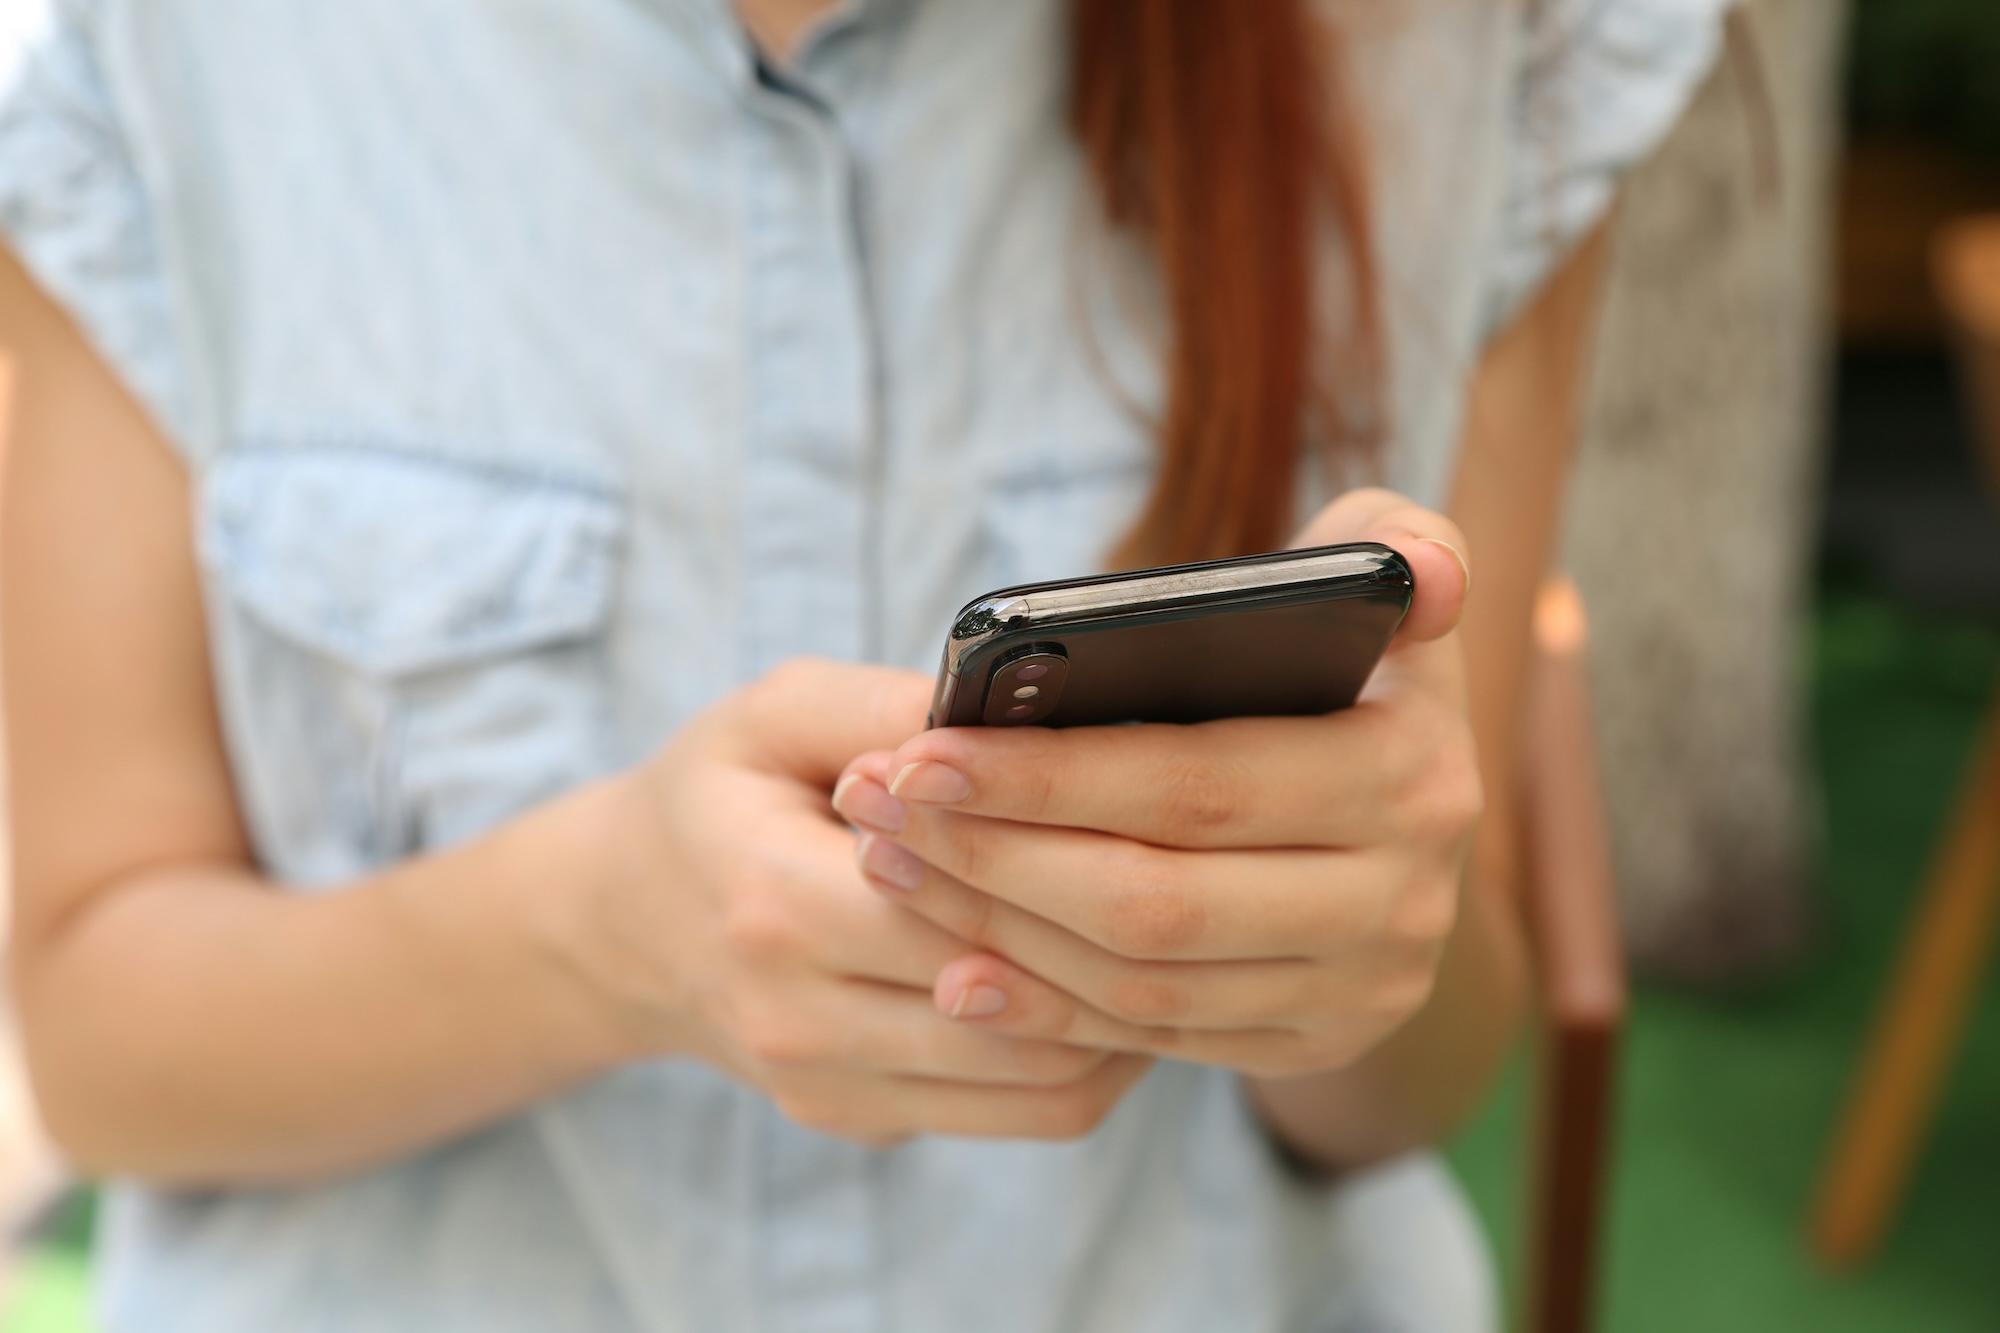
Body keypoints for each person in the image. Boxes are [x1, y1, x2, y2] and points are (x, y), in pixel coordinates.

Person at [0, 1, 1723, 1328]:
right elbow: (98, 1047)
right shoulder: (165, 57)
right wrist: (595, 935)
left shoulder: (1464, 43)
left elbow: (1426, 1071)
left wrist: (1354, 940)